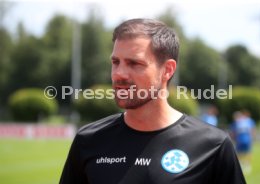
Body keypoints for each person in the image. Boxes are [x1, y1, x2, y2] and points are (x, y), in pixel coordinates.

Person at [60, 18, 245, 184]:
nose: (118, 74)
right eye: (115, 62)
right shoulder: (88, 140)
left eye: (134, 63)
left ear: (168, 70)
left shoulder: (213, 146)